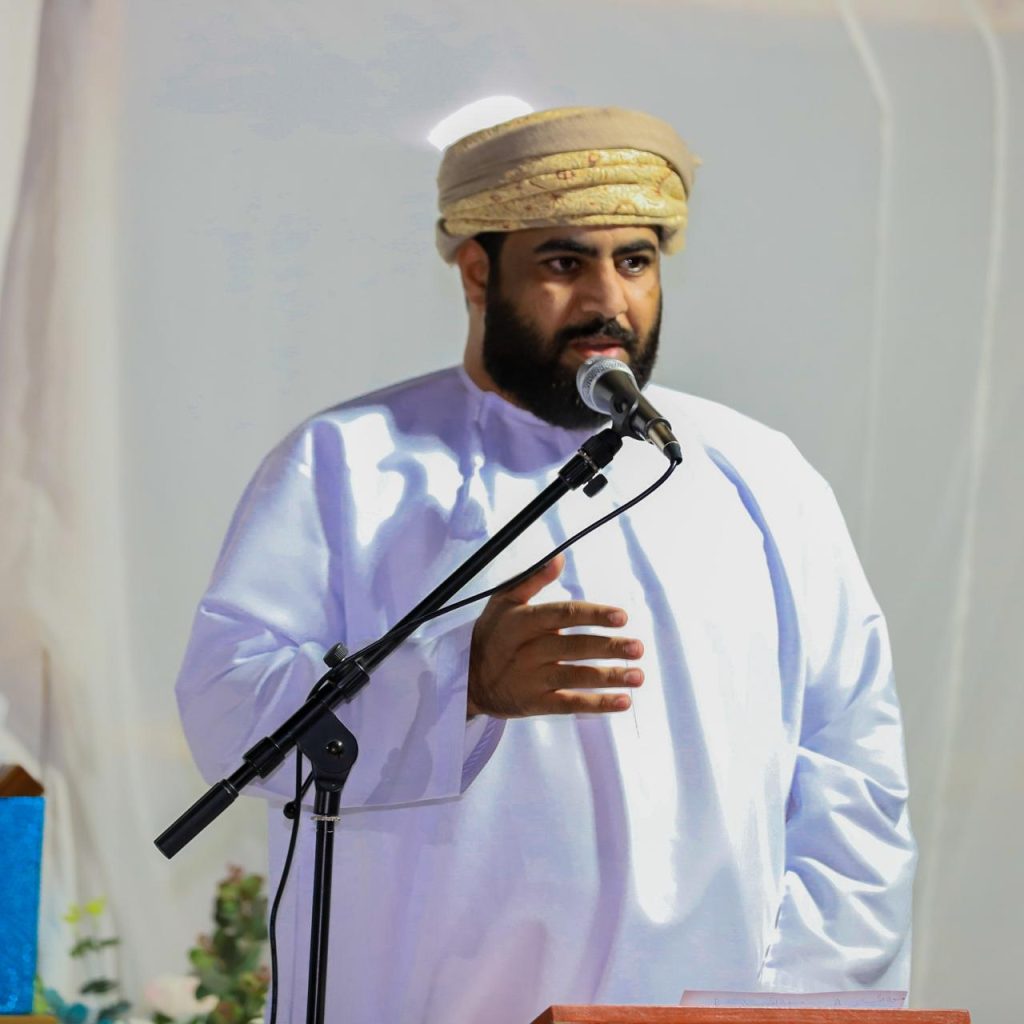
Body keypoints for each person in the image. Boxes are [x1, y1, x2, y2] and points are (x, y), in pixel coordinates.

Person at [175, 106, 916, 1024]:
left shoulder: (760, 477)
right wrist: (458, 684)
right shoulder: (348, 463)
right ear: (477, 272)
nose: (609, 302)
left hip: (703, 1010)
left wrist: (803, 1006)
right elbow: (227, 707)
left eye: (635, 262)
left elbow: (852, 773)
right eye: (565, 264)